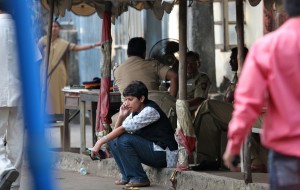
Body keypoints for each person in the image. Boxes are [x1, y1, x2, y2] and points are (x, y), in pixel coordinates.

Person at [223, 1, 300, 189]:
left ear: (284, 11)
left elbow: (248, 102)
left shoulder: (268, 46)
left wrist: (234, 144)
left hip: (286, 151)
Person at [91, 81, 178, 188]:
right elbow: (117, 132)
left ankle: (139, 178)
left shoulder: (150, 110)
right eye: (126, 99)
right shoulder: (136, 112)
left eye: (130, 99)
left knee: (124, 139)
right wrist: (121, 116)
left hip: (166, 155)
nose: (127, 103)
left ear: (141, 99)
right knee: (113, 140)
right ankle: (127, 176)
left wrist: (99, 142)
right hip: (154, 150)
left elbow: (123, 129)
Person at [0, 10, 42, 189]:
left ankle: (4, 168)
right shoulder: (22, 30)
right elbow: (35, 61)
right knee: (17, 141)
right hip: (21, 93)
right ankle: (14, 185)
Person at [38, 21, 101, 116]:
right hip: (44, 72)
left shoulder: (63, 43)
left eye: (56, 26)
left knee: (59, 95)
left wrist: (94, 45)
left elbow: (77, 47)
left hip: (59, 73)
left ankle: (60, 115)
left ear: (59, 29)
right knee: (46, 94)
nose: (53, 28)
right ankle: (45, 116)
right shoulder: (42, 41)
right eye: (51, 26)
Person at [113, 37, 178, 100]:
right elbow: (174, 75)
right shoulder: (153, 64)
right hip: (153, 107)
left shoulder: (117, 71)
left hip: (128, 109)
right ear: (144, 52)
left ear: (127, 52)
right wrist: (171, 101)